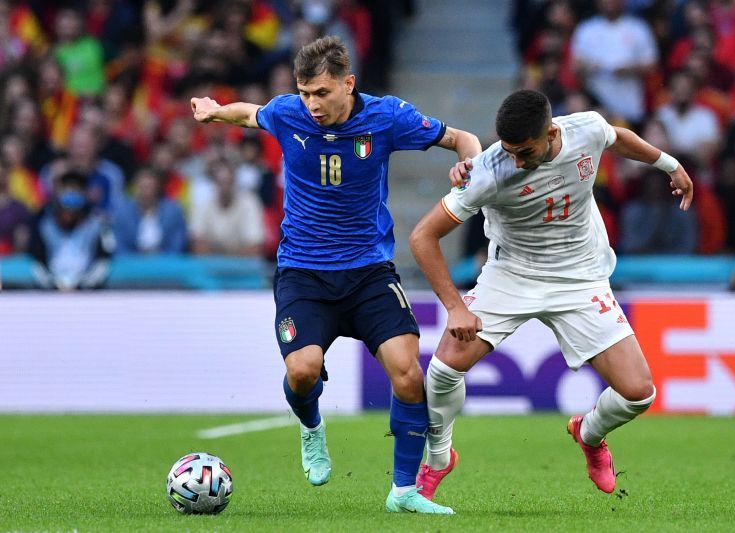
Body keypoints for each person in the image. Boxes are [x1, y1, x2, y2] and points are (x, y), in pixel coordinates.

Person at [190, 35, 481, 514]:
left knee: (409, 375)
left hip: (368, 272)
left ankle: (404, 491)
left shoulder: (386, 117)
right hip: (304, 272)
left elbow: (459, 137)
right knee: (302, 372)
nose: (312, 105)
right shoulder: (289, 115)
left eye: (321, 93)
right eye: (304, 93)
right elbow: (250, 113)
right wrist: (214, 109)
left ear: (349, 83)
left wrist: (468, 161)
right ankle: (311, 428)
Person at [408, 90, 693, 506]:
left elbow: (618, 137)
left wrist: (671, 165)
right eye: (509, 151)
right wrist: (454, 307)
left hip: (580, 276)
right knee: (443, 369)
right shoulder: (488, 172)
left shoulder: (586, 129)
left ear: (551, 131)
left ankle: (589, 433)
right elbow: (422, 237)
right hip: (512, 274)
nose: (518, 161)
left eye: (526, 151)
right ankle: (438, 458)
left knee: (639, 393)